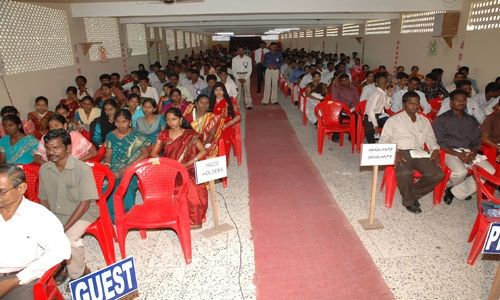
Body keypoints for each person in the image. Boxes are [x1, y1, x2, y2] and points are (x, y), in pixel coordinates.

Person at [0, 164, 70, 300]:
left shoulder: (38, 216)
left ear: (21, 188)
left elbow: (61, 251)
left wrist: (17, 279)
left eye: (1, 191)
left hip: (22, 278)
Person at [37, 129, 98, 282]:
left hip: (82, 213)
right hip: (57, 214)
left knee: (68, 239)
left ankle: (79, 275)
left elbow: (84, 204)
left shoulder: (82, 169)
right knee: (37, 237)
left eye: (56, 147)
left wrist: (62, 228)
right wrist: (50, 222)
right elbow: (43, 199)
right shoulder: (45, 169)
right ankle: (62, 265)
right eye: (48, 148)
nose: (51, 152)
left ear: (68, 148)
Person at [379, 91, 444, 214]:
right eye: (411, 103)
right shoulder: (394, 120)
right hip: (400, 152)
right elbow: (384, 139)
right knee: (404, 172)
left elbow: (430, 138)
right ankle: (408, 201)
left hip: (419, 152)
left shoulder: (424, 121)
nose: (415, 106)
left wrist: (435, 149)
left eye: (417, 103)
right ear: (404, 104)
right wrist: (394, 151)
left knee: (437, 174)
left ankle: (411, 194)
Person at [432, 90, 496, 204]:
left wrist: (472, 153)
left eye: (464, 100)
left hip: (468, 152)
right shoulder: (441, 120)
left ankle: (455, 191)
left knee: (490, 170)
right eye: (458, 100)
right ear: (451, 102)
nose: (461, 102)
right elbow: (439, 142)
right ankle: (446, 186)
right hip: (449, 151)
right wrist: (459, 155)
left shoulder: (471, 120)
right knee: (461, 171)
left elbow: (477, 140)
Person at [150, 107, 208, 229]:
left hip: (188, 167)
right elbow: (154, 154)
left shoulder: (190, 135)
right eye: (168, 120)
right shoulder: (164, 135)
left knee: (191, 184)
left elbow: (202, 151)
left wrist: (188, 164)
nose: (171, 122)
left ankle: (193, 219)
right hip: (170, 169)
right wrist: (165, 164)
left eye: (174, 119)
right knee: (172, 185)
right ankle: (175, 217)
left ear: (181, 120)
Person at [102, 109, 150, 221]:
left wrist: (127, 168)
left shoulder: (137, 135)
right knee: (109, 188)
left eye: (124, 121)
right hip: (114, 167)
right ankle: (113, 217)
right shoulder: (110, 135)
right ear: (114, 122)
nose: (121, 125)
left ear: (130, 122)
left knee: (126, 187)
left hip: (132, 167)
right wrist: (108, 167)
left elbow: (146, 153)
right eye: (118, 122)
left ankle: (128, 215)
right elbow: (108, 155)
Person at [209, 82, 241, 160]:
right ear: (213, 92)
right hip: (212, 127)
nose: (219, 92)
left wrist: (227, 124)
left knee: (223, 141)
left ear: (224, 91)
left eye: (221, 90)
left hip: (226, 126)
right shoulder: (210, 102)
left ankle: (223, 163)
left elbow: (238, 116)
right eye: (216, 90)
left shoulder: (230, 101)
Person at [363, 73, 393, 143]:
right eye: (382, 83)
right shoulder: (376, 94)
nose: (384, 84)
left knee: (392, 123)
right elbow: (369, 111)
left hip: (380, 115)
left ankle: (384, 141)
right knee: (369, 128)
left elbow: (387, 107)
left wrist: (389, 96)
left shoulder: (384, 92)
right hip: (370, 116)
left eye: (384, 82)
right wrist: (375, 125)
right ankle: (372, 145)